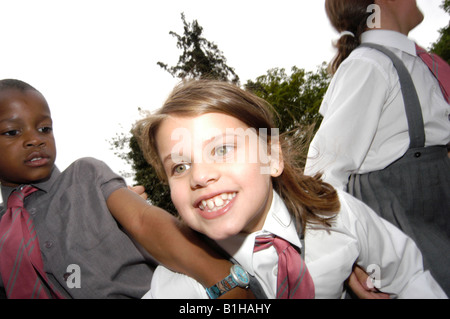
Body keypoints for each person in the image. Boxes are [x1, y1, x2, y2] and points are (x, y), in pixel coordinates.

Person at [114, 79, 446, 299]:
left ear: (272, 157)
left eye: (223, 149)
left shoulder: (336, 215)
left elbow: (406, 274)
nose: (199, 176)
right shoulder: (182, 282)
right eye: (180, 166)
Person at [0, 78, 252, 299]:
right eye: (12, 132)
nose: (35, 139)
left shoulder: (85, 176)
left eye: (45, 128)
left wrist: (219, 277)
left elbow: (143, 220)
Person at [304, 0, 450, 295]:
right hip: (405, 232)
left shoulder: (414, 62)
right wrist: (347, 254)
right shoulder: (368, 65)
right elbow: (323, 172)